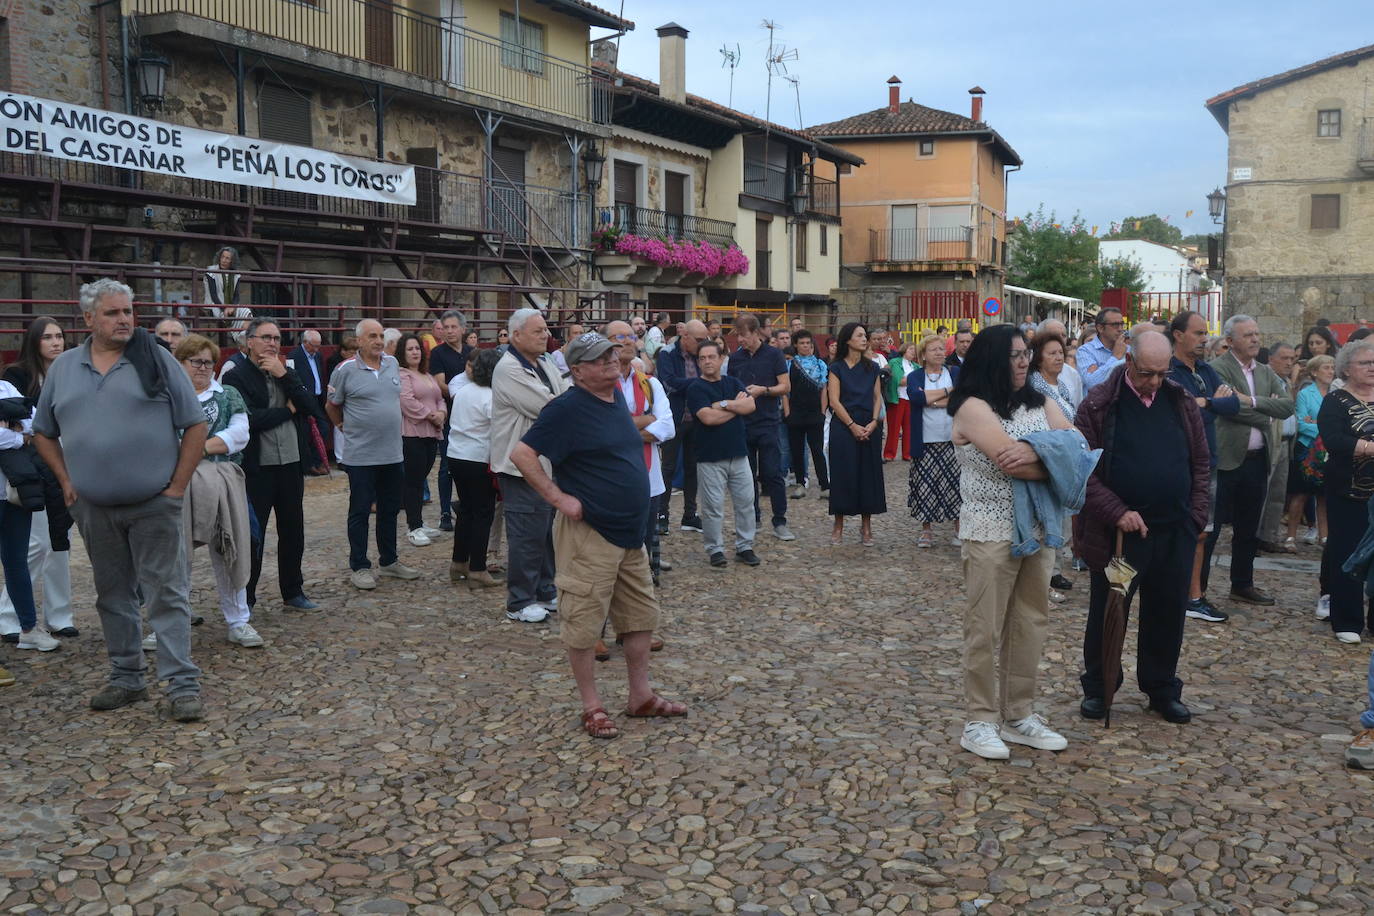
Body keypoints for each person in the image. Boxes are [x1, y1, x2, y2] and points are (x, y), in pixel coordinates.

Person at [33, 278, 207, 721]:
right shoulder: (65, 368)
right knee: (112, 596)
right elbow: (43, 432)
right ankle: (127, 678)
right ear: (88, 318)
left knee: (166, 594)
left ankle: (181, 685)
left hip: (154, 503)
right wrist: (66, 481)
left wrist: (177, 488)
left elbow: (195, 424)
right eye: (112, 313)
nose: (124, 319)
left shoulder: (156, 358)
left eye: (128, 311)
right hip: (94, 507)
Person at [508, 332, 687, 739]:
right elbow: (522, 454)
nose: (610, 361)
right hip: (590, 533)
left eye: (611, 354)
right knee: (584, 623)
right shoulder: (566, 408)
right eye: (598, 358)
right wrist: (559, 498)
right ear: (577, 370)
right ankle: (592, 706)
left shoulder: (615, 397)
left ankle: (640, 696)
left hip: (629, 533)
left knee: (640, 617)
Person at [948, 323, 1073, 760]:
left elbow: (1077, 448)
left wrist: (1039, 453)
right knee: (985, 627)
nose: (1024, 362)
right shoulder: (972, 407)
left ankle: (1018, 714)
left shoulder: (1040, 401)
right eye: (1015, 355)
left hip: (1037, 528)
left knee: (1030, 623)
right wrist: (1054, 459)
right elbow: (1009, 461)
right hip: (990, 529)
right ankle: (980, 720)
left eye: (1025, 354)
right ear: (992, 360)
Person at [1074, 331, 1209, 725]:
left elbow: (1201, 461)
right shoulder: (1099, 404)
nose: (1155, 381)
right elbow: (1083, 470)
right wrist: (1116, 511)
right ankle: (1100, 687)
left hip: (1174, 530)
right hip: (1121, 535)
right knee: (1109, 611)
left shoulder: (1180, 400)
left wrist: (1196, 515)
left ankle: (1161, 688)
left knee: (1168, 613)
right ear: (1129, 361)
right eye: (1147, 373)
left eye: (1162, 374)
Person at [223, 318, 321, 611]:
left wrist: (285, 376)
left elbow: (311, 407)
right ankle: (247, 597)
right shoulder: (236, 376)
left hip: (291, 461)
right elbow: (249, 420)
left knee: (293, 530)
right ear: (249, 341)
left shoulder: (287, 371)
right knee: (253, 534)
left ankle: (293, 590)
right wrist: (286, 412)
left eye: (277, 338)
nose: (272, 343)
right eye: (266, 337)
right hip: (257, 466)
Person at [173, 334, 262, 648]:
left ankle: (238, 621)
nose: (203, 367)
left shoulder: (228, 395)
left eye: (208, 362)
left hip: (223, 478)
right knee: (175, 552)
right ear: (180, 363)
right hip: (178, 481)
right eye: (195, 361)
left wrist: (194, 449)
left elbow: (239, 434)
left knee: (230, 546)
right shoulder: (167, 395)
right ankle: (171, 621)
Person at [1205, 314, 1294, 607]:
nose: (1255, 339)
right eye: (1248, 335)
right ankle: (1198, 588)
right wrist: (1266, 414)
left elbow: (1286, 406)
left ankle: (1242, 584)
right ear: (1230, 341)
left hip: (1257, 460)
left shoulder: (1265, 371)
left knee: (1248, 527)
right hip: (1226, 460)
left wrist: (1252, 401)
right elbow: (1229, 407)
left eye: (1256, 333)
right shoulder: (1218, 368)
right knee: (1212, 528)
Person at [327, 318, 421, 590]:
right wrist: (342, 427)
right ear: (359, 341)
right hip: (361, 456)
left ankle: (389, 561)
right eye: (372, 336)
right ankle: (359, 566)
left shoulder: (392, 363)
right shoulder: (344, 370)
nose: (378, 341)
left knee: (389, 510)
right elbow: (332, 405)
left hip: (392, 453)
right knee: (360, 511)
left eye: (380, 336)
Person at [0, 317, 75, 645]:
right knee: (35, 544)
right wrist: (22, 433)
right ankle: (10, 616)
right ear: (34, 342)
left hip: (69, 460)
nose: (56, 342)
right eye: (47, 337)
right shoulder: (18, 376)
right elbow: (25, 426)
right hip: (32, 468)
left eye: (59, 336)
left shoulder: (71, 372)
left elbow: (30, 423)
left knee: (61, 540)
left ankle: (60, 616)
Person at [490, 308, 566, 623]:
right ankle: (519, 601)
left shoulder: (545, 362)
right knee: (526, 534)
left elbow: (563, 395)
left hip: (546, 462)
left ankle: (545, 590)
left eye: (545, 330)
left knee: (546, 531)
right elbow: (550, 407)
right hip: (519, 467)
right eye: (537, 331)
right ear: (516, 335)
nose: (545, 335)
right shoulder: (508, 368)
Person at [1166, 311, 1241, 623]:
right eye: (1198, 333)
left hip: (1206, 463)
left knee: (1201, 532)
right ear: (1178, 335)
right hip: (1177, 462)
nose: (1204, 339)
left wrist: (1207, 402)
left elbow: (1232, 404)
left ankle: (1193, 596)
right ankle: (1172, 592)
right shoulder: (1169, 371)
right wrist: (1211, 403)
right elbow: (1182, 410)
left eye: (1205, 333)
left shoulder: (1207, 370)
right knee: (1174, 530)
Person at [607, 319, 673, 586]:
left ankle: (641, 585)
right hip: (611, 477)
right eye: (620, 337)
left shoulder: (650, 384)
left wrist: (624, 430)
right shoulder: (599, 384)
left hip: (648, 477)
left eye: (631, 336)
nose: (628, 341)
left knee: (644, 535)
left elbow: (667, 427)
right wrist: (645, 420)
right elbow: (602, 430)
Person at [1317, 340, 1374, 644]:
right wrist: (1369, 448)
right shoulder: (1336, 400)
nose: (1372, 368)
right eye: (1365, 363)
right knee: (1346, 550)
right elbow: (1333, 439)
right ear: (1347, 369)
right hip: (1348, 490)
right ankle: (1347, 619)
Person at [687, 340, 758, 567]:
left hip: (739, 454)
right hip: (710, 457)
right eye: (702, 358)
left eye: (711, 357)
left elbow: (751, 406)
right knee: (712, 508)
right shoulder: (696, 388)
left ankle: (745, 546)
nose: (707, 361)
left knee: (746, 503)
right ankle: (715, 549)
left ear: (721, 359)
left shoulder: (733, 382)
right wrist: (736, 408)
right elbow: (708, 418)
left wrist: (723, 404)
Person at [727, 313, 793, 541]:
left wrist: (763, 390)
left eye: (743, 335)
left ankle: (780, 520)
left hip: (768, 422)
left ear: (755, 333)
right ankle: (752, 519)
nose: (740, 340)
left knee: (772, 473)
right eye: (738, 335)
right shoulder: (735, 358)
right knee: (747, 476)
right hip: (743, 424)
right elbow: (730, 387)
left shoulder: (774, 355)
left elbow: (785, 386)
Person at [1028, 330, 1081, 593]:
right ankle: (1043, 576)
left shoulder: (1061, 385)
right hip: (1046, 457)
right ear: (1038, 358)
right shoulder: (1033, 386)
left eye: (1061, 352)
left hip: (1065, 458)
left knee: (1062, 518)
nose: (1059, 357)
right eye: (1052, 353)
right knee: (1046, 518)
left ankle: (1055, 570)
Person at [447, 348, 503, 590]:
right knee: (483, 513)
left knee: (466, 510)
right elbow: (498, 428)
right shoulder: (490, 396)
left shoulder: (464, 391)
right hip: (478, 457)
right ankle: (478, 568)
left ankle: (459, 561)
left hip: (456, 455)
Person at [827, 322, 886, 546]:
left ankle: (866, 525)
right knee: (843, 474)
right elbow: (834, 400)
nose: (864, 339)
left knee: (868, 475)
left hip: (869, 424)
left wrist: (873, 421)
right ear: (848, 339)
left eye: (865, 336)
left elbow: (877, 397)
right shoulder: (836, 367)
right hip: (844, 425)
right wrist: (852, 425)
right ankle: (838, 524)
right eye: (859, 335)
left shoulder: (872, 367)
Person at [655, 319, 708, 533]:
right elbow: (669, 383)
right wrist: (699, 383)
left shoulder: (700, 355)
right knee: (667, 468)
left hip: (695, 418)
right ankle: (662, 515)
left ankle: (690, 515)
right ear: (685, 336)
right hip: (674, 419)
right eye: (699, 339)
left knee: (692, 468)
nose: (702, 344)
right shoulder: (667, 354)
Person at [907, 331, 960, 548]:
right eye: (933, 349)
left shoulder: (954, 372)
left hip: (952, 439)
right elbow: (916, 397)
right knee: (925, 484)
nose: (939, 353)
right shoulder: (915, 376)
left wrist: (932, 400)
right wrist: (947, 392)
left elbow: (960, 398)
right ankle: (926, 530)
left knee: (955, 484)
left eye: (941, 348)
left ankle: (959, 528)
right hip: (925, 439)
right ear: (923, 355)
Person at [397, 332, 446, 546]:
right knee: (413, 481)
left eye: (417, 348)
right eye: (410, 349)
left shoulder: (427, 375)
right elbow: (406, 401)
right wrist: (430, 415)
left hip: (431, 431)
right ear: (402, 352)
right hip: (413, 433)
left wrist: (442, 413)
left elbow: (440, 398)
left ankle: (419, 522)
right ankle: (413, 526)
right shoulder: (403, 374)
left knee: (421, 477)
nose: (415, 352)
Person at [1288, 354, 1333, 555]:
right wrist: (1326, 428)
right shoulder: (1306, 394)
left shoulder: (1336, 394)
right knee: (1301, 493)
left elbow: (1340, 422)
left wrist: (1318, 423)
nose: (1331, 371)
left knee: (1324, 494)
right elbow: (1302, 423)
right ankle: (1291, 535)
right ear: (1314, 372)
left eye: (1332, 367)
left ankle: (1324, 536)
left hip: (1329, 450)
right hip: (1307, 449)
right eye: (1326, 367)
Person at [1258, 342, 1299, 550]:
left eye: (1292, 359)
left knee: (1278, 493)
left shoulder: (1287, 382)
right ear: (1271, 359)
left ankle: (1269, 536)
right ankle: (1253, 536)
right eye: (1284, 358)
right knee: (1262, 492)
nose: (1289, 363)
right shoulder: (1264, 379)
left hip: (1286, 442)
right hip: (1270, 441)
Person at [784, 330, 829, 499]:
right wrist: (787, 413)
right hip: (795, 413)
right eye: (802, 343)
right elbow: (785, 391)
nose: (805, 346)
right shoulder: (789, 365)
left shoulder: (820, 365)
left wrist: (822, 412)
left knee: (817, 450)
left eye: (808, 343)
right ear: (796, 345)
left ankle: (825, 485)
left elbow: (824, 390)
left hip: (815, 413)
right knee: (796, 451)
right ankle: (801, 484)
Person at [288, 329, 330, 473]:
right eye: (314, 346)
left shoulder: (318, 355)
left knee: (323, 428)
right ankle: (309, 464)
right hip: (304, 399)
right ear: (305, 342)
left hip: (317, 398)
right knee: (305, 431)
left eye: (319, 346)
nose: (317, 349)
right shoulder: (294, 356)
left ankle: (316, 462)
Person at [203, 246, 252, 337]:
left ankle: (244, 337)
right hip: (216, 306)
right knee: (231, 317)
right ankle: (239, 337)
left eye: (227, 258)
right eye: (222, 257)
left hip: (231, 307)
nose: (224, 260)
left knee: (247, 312)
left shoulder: (236, 274)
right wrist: (225, 308)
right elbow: (213, 295)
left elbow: (236, 295)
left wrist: (232, 306)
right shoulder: (211, 271)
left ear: (232, 261)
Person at [1078, 308, 1127, 390]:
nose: (1120, 329)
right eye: (1115, 325)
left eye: (1122, 324)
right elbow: (1092, 384)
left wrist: (1100, 371)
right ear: (1100, 328)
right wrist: (1115, 358)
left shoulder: (1129, 349)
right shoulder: (1085, 350)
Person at [884, 342, 917, 462]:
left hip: (910, 399)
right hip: (897, 398)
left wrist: (910, 380)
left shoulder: (915, 365)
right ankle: (889, 453)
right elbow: (898, 380)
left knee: (909, 428)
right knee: (894, 428)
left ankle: (907, 453)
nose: (913, 351)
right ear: (904, 349)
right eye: (911, 349)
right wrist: (913, 380)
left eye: (914, 349)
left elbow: (919, 381)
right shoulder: (895, 362)